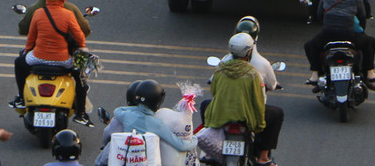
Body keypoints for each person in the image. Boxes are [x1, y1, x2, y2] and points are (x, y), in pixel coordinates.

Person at [18, 0, 91, 125]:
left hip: (37, 58)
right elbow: (80, 37)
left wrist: (26, 52)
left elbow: (30, 39)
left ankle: (21, 97)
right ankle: (81, 112)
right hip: (63, 61)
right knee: (81, 77)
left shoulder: (38, 13)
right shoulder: (69, 14)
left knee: (18, 63)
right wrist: (81, 48)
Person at [202, 33, 282, 166]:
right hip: (245, 118)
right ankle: (263, 158)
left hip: (220, 117)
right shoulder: (252, 73)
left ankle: (210, 152)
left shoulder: (220, 69)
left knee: (205, 104)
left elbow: (214, 92)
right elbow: (258, 101)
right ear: (249, 51)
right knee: (277, 113)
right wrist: (259, 125)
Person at [304, 0, 375, 87]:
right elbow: (362, 17)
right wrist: (360, 32)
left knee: (310, 45)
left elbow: (319, 15)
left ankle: (315, 74)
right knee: (371, 42)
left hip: (328, 34)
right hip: (349, 35)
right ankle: (370, 73)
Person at [94, 81, 197, 166]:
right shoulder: (157, 124)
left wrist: (136, 108)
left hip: (126, 161)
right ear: (158, 101)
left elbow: (117, 110)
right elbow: (180, 145)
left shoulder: (126, 115)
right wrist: (194, 139)